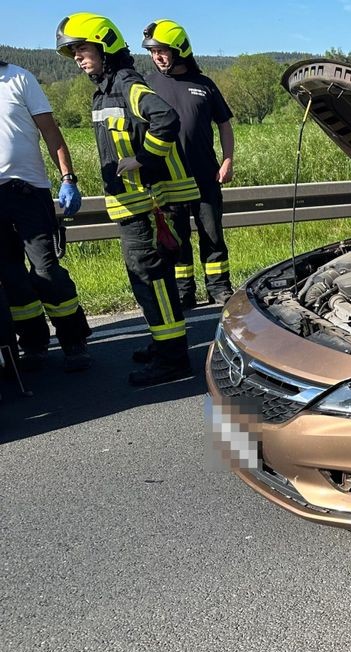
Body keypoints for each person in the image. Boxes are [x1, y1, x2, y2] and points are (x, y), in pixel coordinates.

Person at [56, 13, 200, 386]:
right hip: (134, 204)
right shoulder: (105, 89)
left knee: (151, 279)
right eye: (73, 51)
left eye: (82, 48)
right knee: (150, 278)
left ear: (105, 46)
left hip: (147, 205)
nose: (77, 56)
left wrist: (145, 160)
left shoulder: (126, 85)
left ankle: (172, 358)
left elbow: (165, 119)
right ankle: (162, 341)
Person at [0, 57, 92, 372]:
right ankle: (34, 344)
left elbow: (50, 132)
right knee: (11, 277)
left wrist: (68, 178)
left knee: (46, 270)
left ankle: (73, 340)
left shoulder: (19, 78)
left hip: (27, 192)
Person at [142, 19, 235, 310]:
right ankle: (184, 292)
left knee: (212, 235)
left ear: (180, 50)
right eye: (153, 51)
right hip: (169, 180)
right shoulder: (147, 85)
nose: (157, 56)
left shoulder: (204, 85)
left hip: (206, 176)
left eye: (162, 50)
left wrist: (228, 160)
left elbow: (225, 125)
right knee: (177, 240)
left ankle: (219, 288)